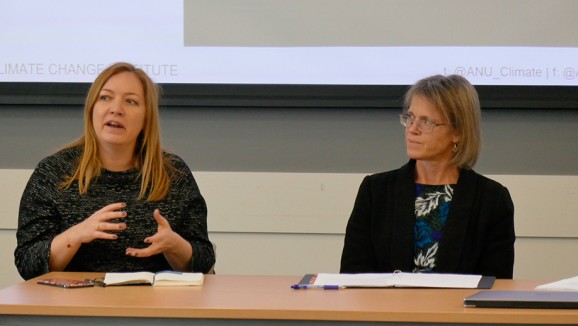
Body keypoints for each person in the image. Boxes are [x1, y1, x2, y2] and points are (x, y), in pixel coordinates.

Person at [15, 62, 215, 280]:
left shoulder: (174, 174)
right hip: (77, 308)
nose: (116, 109)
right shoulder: (53, 172)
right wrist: (76, 235)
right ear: (92, 108)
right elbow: (27, 264)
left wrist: (176, 246)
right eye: (105, 97)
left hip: (157, 307)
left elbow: (204, 262)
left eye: (130, 101)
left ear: (146, 118)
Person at [340, 74, 515, 279]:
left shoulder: (491, 200)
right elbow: (352, 278)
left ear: (457, 132)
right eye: (410, 118)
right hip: (387, 310)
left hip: (457, 311)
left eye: (426, 121)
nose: (412, 129)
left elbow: (495, 286)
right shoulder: (375, 191)